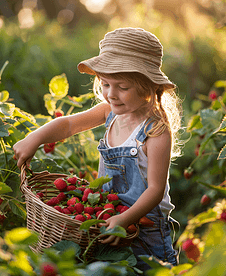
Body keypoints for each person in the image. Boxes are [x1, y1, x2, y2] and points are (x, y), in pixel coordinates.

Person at [13, 27, 182, 272]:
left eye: (122, 87)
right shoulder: (109, 113)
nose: (111, 94)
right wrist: (35, 137)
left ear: (147, 86)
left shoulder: (156, 132)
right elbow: (69, 124)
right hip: (106, 220)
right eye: (105, 84)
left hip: (145, 230)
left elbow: (155, 190)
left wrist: (125, 219)